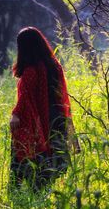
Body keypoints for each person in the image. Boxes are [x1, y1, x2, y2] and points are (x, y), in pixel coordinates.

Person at [10, 27, 80, 190]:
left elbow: (25, 97)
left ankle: (34, 195)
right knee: (55, 161)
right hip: (58, 118)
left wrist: (16, 114)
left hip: (40, 121)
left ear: (24, 47)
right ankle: (50, 194)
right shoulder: (55, 66)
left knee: (33, 161)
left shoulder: (31, 71)